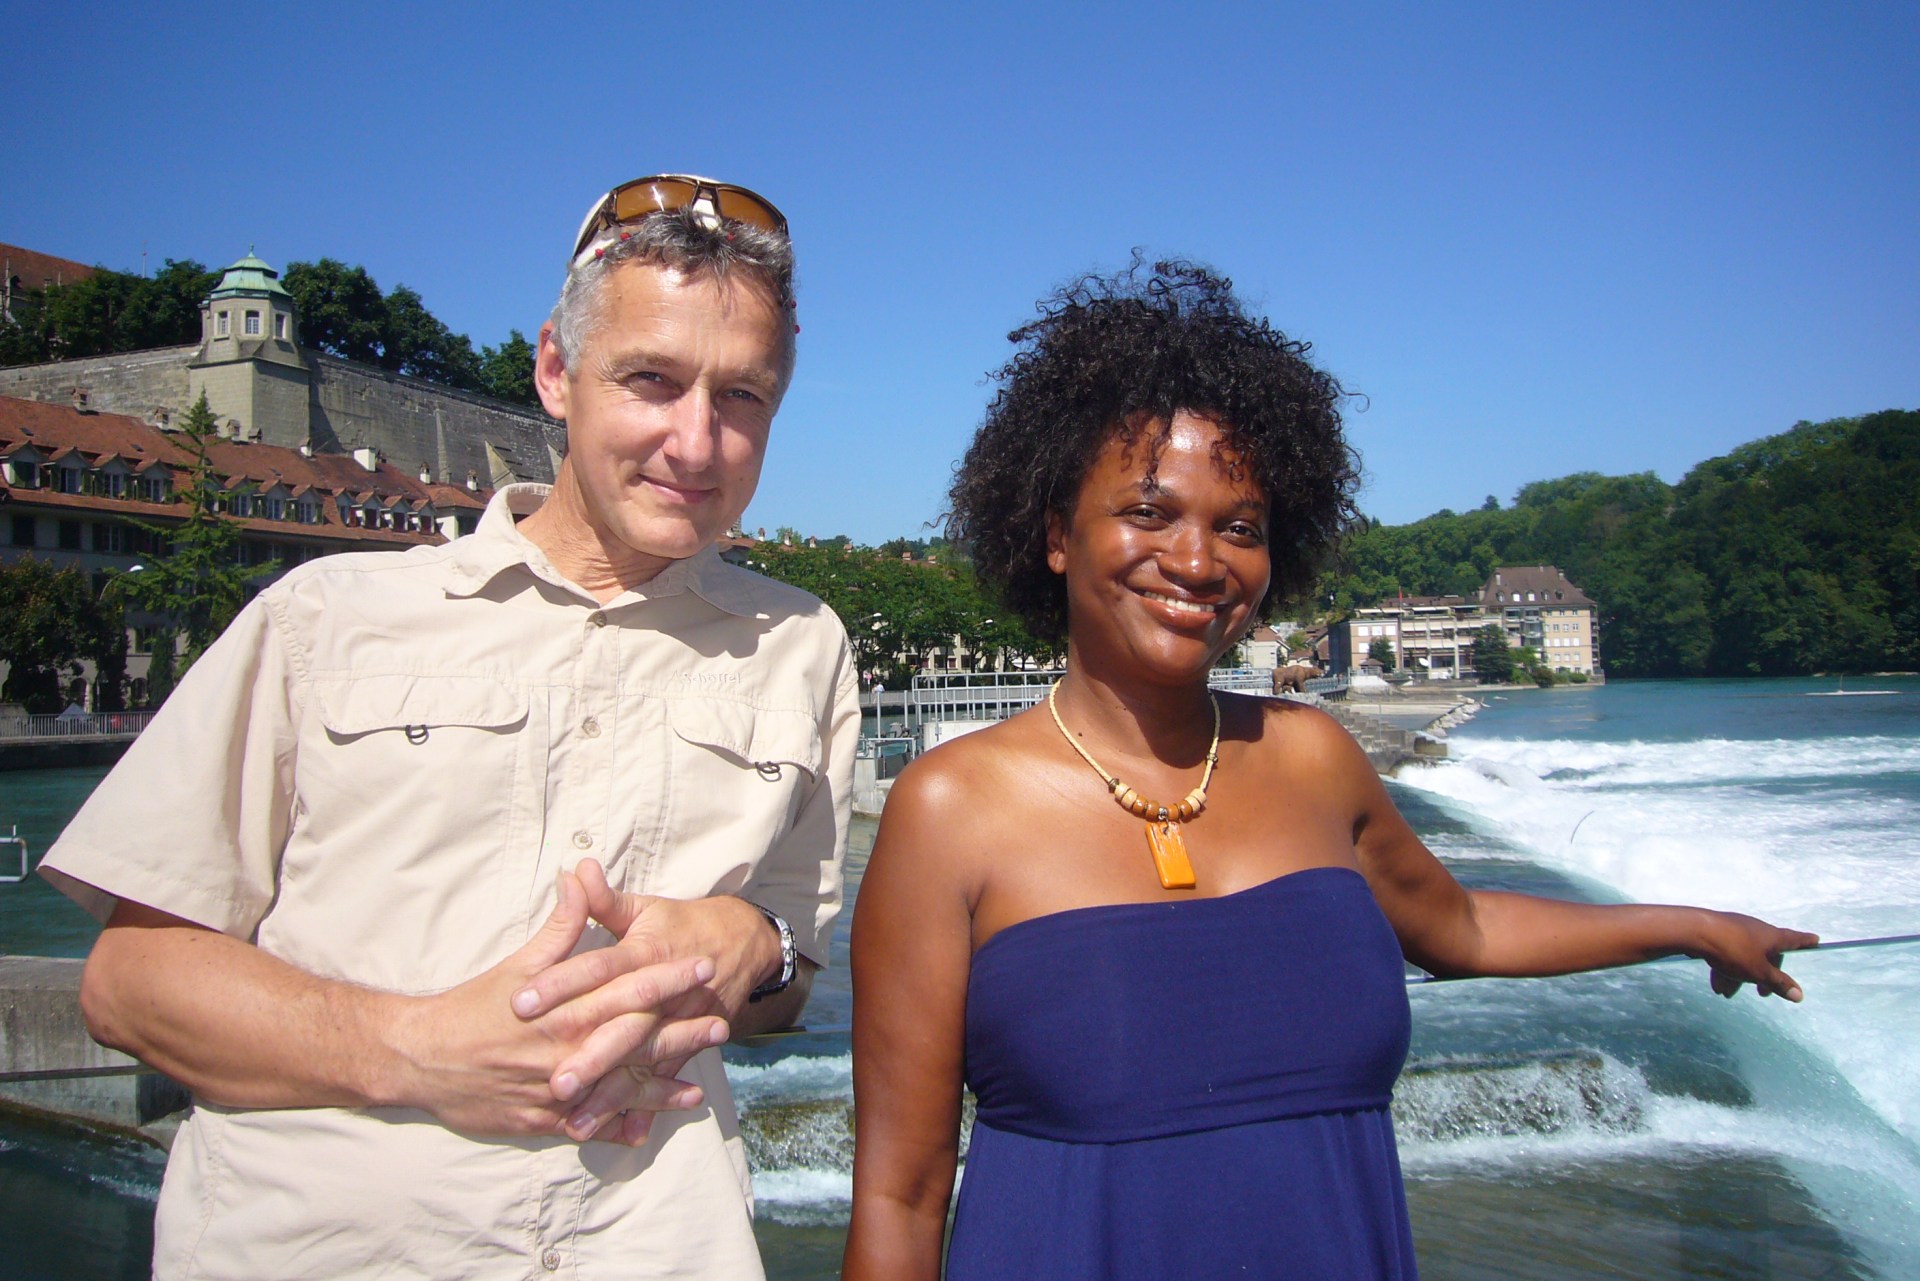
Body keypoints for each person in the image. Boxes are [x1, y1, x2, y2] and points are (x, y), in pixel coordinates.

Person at [841, 260, 1816, 1280]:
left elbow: (1463, 928)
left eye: (1239, 527)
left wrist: (1689, 926)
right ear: (1055, 534)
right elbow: (901, 1196)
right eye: (1150, 512)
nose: (1197, 561)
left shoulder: (1312, 756)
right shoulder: (950, 809)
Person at [41, 175, 859, 1279]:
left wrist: (750, 946)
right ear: (555, 372)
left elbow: (789, 975)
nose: (697, 442)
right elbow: (128, 985)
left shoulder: (805, 646)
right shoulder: (323, 618)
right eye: (652, 381)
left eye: (743, 396)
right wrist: (418, 1050)